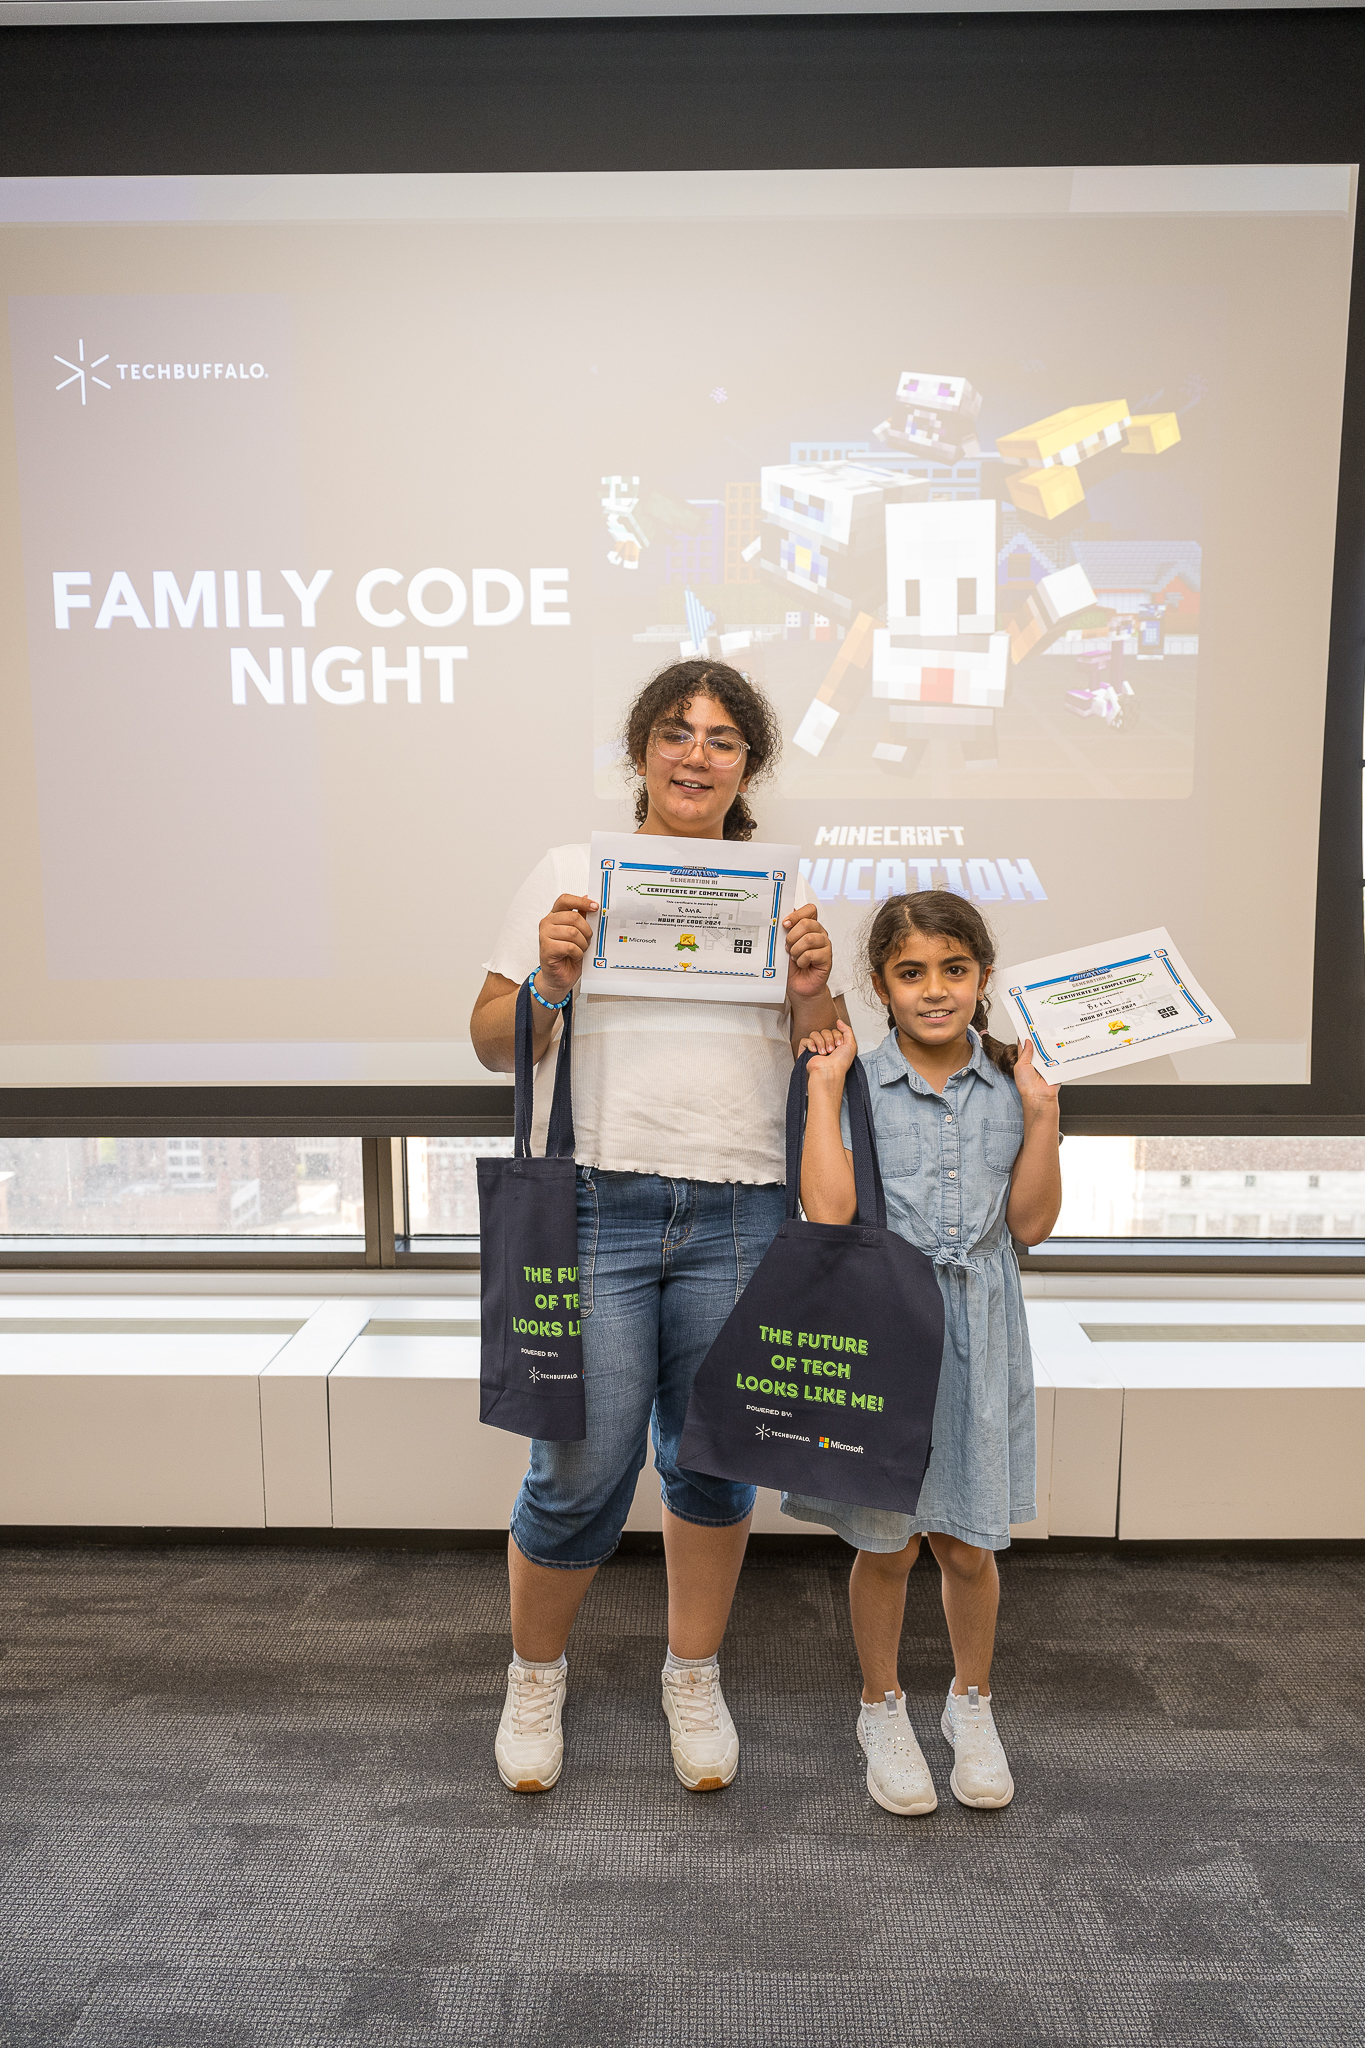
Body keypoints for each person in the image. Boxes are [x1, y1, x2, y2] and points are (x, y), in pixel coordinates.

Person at [471, 659, 844, 1796]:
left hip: (743, 1202)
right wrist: (548, 978)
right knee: (579, 1467)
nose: (697, 754)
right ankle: (535, 1675)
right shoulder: (569, 873)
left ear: (747, 766)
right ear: (641, 750)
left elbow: (824, 1054)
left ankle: (693, 1672)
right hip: (597, 1201)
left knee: (713, 1464)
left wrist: (814, 989)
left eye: (723, 739)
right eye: (677, 732)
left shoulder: (785, 888)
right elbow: (490, 1040)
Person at [789, 890, 1061, 1816]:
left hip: (980, 1328)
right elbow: (828, 1213)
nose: (934, 989)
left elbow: (1031, 1224)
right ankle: (881, 1705)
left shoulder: (1013, 1080)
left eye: (954, 969)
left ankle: (970, 1704)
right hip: (887, 1328)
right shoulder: (857, 1079)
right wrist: (823, 1091)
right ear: (879, 986)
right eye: (911, 973)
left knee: (969, 1542)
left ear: (983, 978)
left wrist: (1042, 1116)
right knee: (887, 1542)